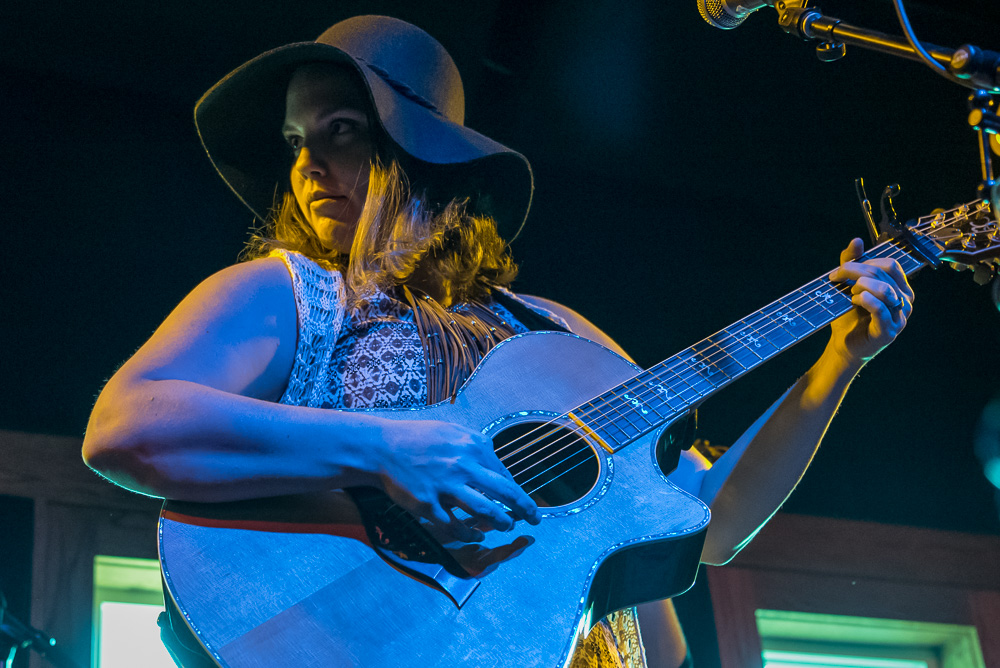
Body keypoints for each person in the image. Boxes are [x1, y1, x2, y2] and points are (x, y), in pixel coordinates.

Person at [81, 15, 914, 668]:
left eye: (340, 130)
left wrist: (841, 359)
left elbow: (717, 524)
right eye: (297, 142)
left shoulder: (564, 337)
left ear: (420, 147)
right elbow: (125, 428)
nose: (305, 165)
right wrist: (384, 452)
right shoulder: (292, 291)